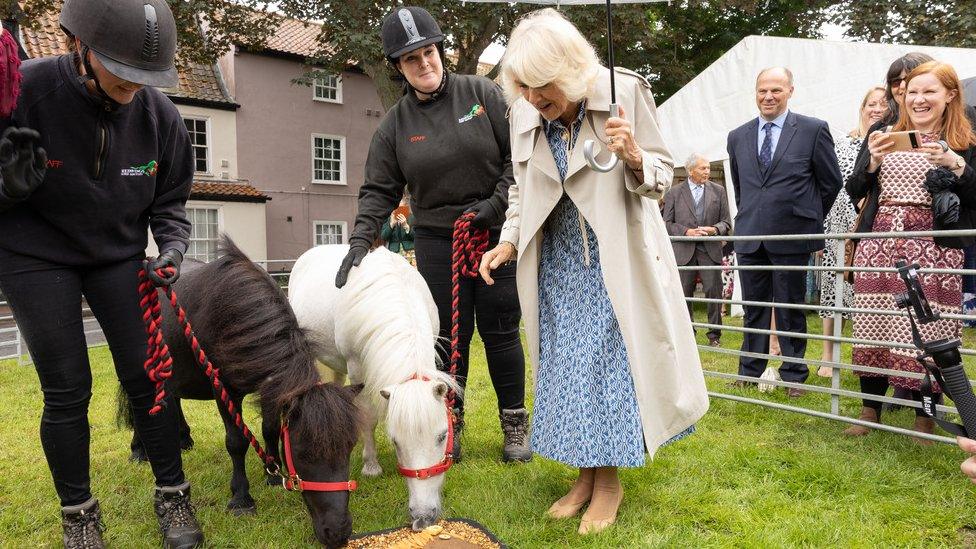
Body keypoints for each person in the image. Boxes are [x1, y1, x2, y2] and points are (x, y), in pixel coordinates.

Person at [479, 9, 708, 535]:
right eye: (526, 89)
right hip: (555, 262)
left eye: (545, 88)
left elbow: (662, 178)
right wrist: (508, 241)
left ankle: (610, 483)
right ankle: (584, 476)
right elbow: (521, 189)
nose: (535, 100)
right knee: (565, 370)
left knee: (608, 370)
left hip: (614, 260)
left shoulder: (624, 92)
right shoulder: (523, 114)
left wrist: (632, 155)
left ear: (570, 69)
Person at [0, 1, 204, 547]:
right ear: (81, 48)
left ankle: (173, 495)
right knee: (68, 389)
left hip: (117, 254)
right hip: (35, 254)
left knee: (150, 377)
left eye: (146, 76)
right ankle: (80, 514)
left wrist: (172, 250)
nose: (135, 86)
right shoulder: (23, 91)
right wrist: (5, 187)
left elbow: (170, 203)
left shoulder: (159, 117)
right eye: (124, 71)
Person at [335, 6, 530, 463]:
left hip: (495, 232)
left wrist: (494, 206)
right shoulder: (395, 126)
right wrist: (360, 242)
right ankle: (450, 422)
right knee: (447, 339)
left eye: (428, 52)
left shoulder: (482, 94)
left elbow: (517, 160)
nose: (424, 63)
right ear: (398, 67)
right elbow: (378, 190)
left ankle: (515, 423)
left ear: (439, 49)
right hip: (437, 240)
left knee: (502, 330)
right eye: (411, 59)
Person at [845, 61, 976, 441]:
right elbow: (855, 190)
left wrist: (955, 164)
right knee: (873, 326)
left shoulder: (966, 139)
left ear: (949, 95)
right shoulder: (882, 131)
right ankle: (870, 410)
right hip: (879, 245)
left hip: (935, 250)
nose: (918, 99)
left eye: (929, 91)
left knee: (927, 332)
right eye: (912, 92)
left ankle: (925, 416)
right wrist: (870, 161)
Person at [725, 67, 843, 397]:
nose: (768, 96)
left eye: (776, 90)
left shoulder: (812, 129)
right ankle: (749, 371)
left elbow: (830, 182)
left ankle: (793, 376)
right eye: (763, 90)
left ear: (790, 90)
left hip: (792, 234)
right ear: (755, 92)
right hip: (750, 235)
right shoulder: (738, 136)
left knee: (790, 308)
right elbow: (741, 188)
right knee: (753, 308)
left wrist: (806, 216)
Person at [817, 86, 888, 376]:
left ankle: (872, 357)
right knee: (833, 291)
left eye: (883, 105)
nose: (876, 109)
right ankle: (828, 355)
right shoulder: (843, 143)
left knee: (868, 293)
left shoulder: (890, 141)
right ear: (862, 108)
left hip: (871, 225)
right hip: (837, 225)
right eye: (871, 104)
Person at [663, 153, 732, 346]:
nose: (707, 171)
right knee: (684, 293)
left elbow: (726, 223)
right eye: (703, 168)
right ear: (690, 170)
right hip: (684, 250)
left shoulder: (719, 191)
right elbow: (667, 224)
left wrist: (713, 229)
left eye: (708, 168)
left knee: (713, 292)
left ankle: (714, 336)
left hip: (710, 249)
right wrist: (687, 232)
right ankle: (687, 334)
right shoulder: (674, 193)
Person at [380, 197, 415, 264]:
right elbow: (383, 237)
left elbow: (415, 236)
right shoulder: (388, 219)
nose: (398, 211)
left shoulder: (411, 217)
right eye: (396, 209)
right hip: (394, 252)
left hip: (410, 252)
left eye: (401, 208)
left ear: (405, 207)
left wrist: (406, 227)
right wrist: (391, 225)